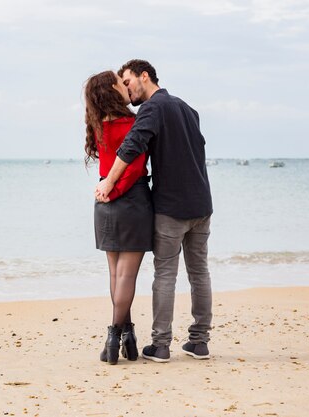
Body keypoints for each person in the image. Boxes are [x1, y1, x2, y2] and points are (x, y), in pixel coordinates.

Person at [95, 59, 214, 363]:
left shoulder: (152, 108)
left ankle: (160, 345)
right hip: (201, 203)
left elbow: (132, 146)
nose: (127, 89)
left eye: (128, 81)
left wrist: (108, 182)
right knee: (199, 272)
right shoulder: (188, 109)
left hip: (171, 206)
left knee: (165, 274)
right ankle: (199, 341)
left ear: (143, 76)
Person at [84, 70, 154, 365]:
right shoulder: (134, 123)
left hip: (105, 203)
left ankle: (127, 334)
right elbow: (134, 168)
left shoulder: (97, 125)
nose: (126, 86)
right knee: (126, 275)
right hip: (130, 199)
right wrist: (114, 191)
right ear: (113, 90)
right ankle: (115, 333)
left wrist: (107, 192)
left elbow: (110, 168)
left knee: (115, 274)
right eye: (120, 82)